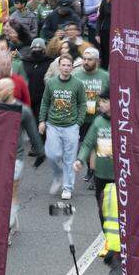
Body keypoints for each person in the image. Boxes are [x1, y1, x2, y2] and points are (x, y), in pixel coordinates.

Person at [40, 53, 83, 200]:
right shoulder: (51, 83)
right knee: (53, 154)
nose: (66, 68)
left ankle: (67, 187)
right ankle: (58, 175)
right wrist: (41, 120)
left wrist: (78, 122)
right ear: (59, 67)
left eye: (68, 65)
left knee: (69, 158)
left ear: (72, 67)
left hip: (71, 126)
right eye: (63, 65)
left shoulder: (77, 84)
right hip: (53, 124)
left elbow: (82, 104)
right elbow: (45, 102)